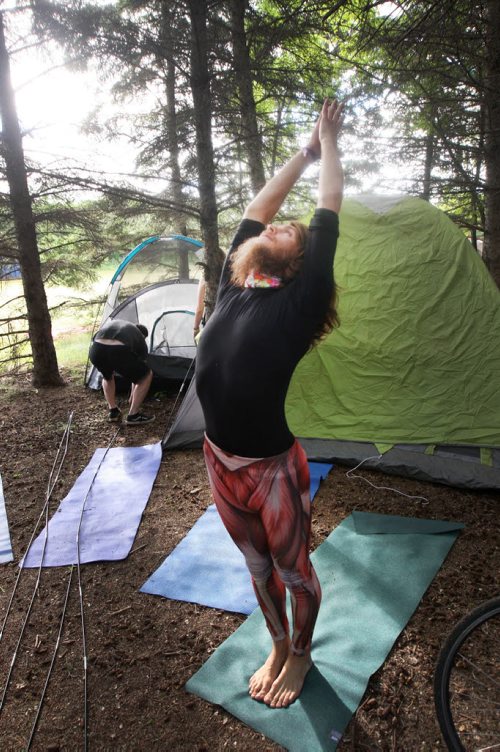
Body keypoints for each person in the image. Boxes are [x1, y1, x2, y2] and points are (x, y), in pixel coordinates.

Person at [196, 98, 344, 708]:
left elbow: (328, 205)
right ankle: (277, 643)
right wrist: (302, 154)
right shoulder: (236, 286)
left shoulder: (296, 303)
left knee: (292, 571)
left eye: (290, 233)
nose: (276, 227)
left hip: (270, 471)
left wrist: (329, 144)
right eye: (277, 228)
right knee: (257, 571)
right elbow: (260, 206)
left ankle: (302, 657)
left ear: (300, 262)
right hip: (217, 460)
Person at [89, 318, 155, 425]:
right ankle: (133, 415)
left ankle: (113, 411)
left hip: (96, 350)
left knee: (107, 377)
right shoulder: (139, 337)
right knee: (146, 375)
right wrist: (132, 398)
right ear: (143, 336)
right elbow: (138, 377)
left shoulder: (121, 324)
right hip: (117, 351)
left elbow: (96, 339)